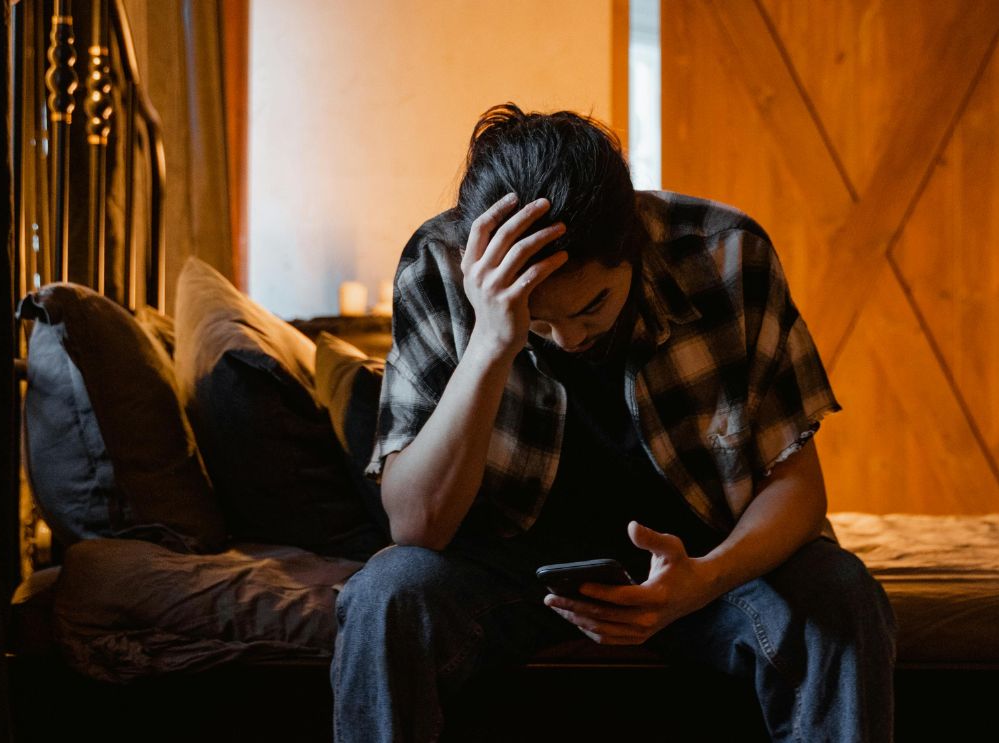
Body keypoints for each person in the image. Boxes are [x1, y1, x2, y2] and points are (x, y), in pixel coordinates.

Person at [331, 103, 897, 742]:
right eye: (540, 323)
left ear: (636, 244)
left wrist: (705, 580)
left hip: (702, 561)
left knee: (840, 593)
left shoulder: (729, 254)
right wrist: (494, 339)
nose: (569, 338)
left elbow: (797, 488)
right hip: (507, 567)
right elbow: (416, 526)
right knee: (385, 596)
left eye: (591, 306)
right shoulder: (439, 266)